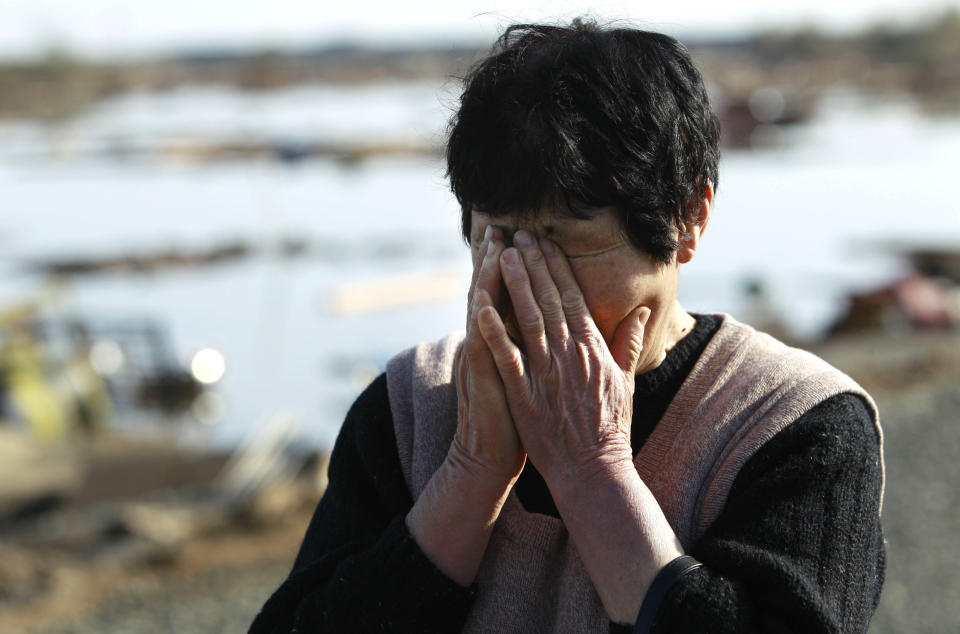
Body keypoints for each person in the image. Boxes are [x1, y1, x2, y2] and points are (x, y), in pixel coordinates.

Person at [250, 19, 884, 633]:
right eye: (499, 236)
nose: (526, 285)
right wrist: (470, 473)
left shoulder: (796, 426)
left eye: (562, 243)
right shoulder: (408, 409)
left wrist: (592, 472)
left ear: (690, 217)